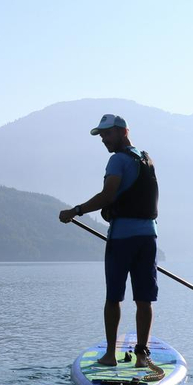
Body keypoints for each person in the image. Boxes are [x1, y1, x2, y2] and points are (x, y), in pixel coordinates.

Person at [59, 114, 160, 369]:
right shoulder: (146, 159)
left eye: (107, 134)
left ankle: (110, 356)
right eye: (102, 135)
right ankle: (142, 356)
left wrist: (76, 210)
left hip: (122, 239)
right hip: (149, 237)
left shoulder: (117, 161)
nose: (103, 139)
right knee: (144, 299)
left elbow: (107, 196)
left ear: (123, 132)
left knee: (114, 297)